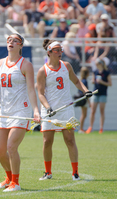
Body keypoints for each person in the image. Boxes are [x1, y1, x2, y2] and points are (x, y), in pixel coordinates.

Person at [0, 33, 40, 192]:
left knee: (11, 147)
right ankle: (8, 178)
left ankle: (16, 182)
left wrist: (35, 110)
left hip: (21, 112)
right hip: (4, 111)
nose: (11, 42)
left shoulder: (26, 65)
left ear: (21, 45)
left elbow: (31, 90)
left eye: (15, 41)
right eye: (9, 40)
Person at [36, 39, 92, 182]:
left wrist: (86, 91)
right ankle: (48, 172)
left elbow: (77, 81)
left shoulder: (66, 66)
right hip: (49, 111)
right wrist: (48, 108)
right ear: (49, 52)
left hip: (66, 110)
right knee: (47, 142)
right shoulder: (43, 70)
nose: (60, 52)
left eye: (61, 49)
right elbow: (40, 93)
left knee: (70, 140)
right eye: (57, 50)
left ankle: (75, 173)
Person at [86, 58, 112, 134]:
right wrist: (93, 81)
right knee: (92, 111)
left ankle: (101, 128)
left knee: (101, 111)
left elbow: (110, 84)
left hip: (103, 93)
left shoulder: (106, 73)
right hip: (95, 93)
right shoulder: (95, 72)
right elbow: (93, 80)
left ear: (101, 64)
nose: (96, 65)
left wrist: (102, 82)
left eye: (98, 64)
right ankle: (90, 127)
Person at [77, 67, 90, 134]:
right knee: (84, 115)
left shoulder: (81, 80)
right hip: (84, 100)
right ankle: (81, 129)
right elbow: (86, 92)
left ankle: (81, 128)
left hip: (81, 99)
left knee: (83, 114)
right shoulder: (85, 81)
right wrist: (89, 102)